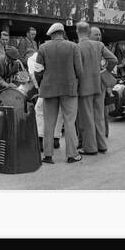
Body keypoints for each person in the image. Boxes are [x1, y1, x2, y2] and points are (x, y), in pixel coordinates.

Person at [34, 22, 84, 164]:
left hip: (49, 89)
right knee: (69, 121)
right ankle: (72, 155)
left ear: (52, 34)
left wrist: (41, 85)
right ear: (62, 33)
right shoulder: (73, 46)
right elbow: (79, 70)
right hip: (69, 89)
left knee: (49, 122)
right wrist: (77, 84)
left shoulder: (43, 47)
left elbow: (37, 70)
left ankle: (48, 156)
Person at [76, 22, 118, 156]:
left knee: (86, 118)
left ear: (78, 31)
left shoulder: (76, 47)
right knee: (99, 116)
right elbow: (114, 59)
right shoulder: (99, 45)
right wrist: (106, 71)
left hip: (84, 87)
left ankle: (90, 148)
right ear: (88, 31)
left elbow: (75, 69)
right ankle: (102, 145)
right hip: (99, 86)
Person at [27, 49, 64, 152]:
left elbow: (33, 73)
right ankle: (56, 139)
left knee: (39, 111)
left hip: (46, 87)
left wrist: (39, 88)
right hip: (61, 86)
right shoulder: (57, 53)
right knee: (59, 111)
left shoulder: (32, 58)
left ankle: (40, 140)